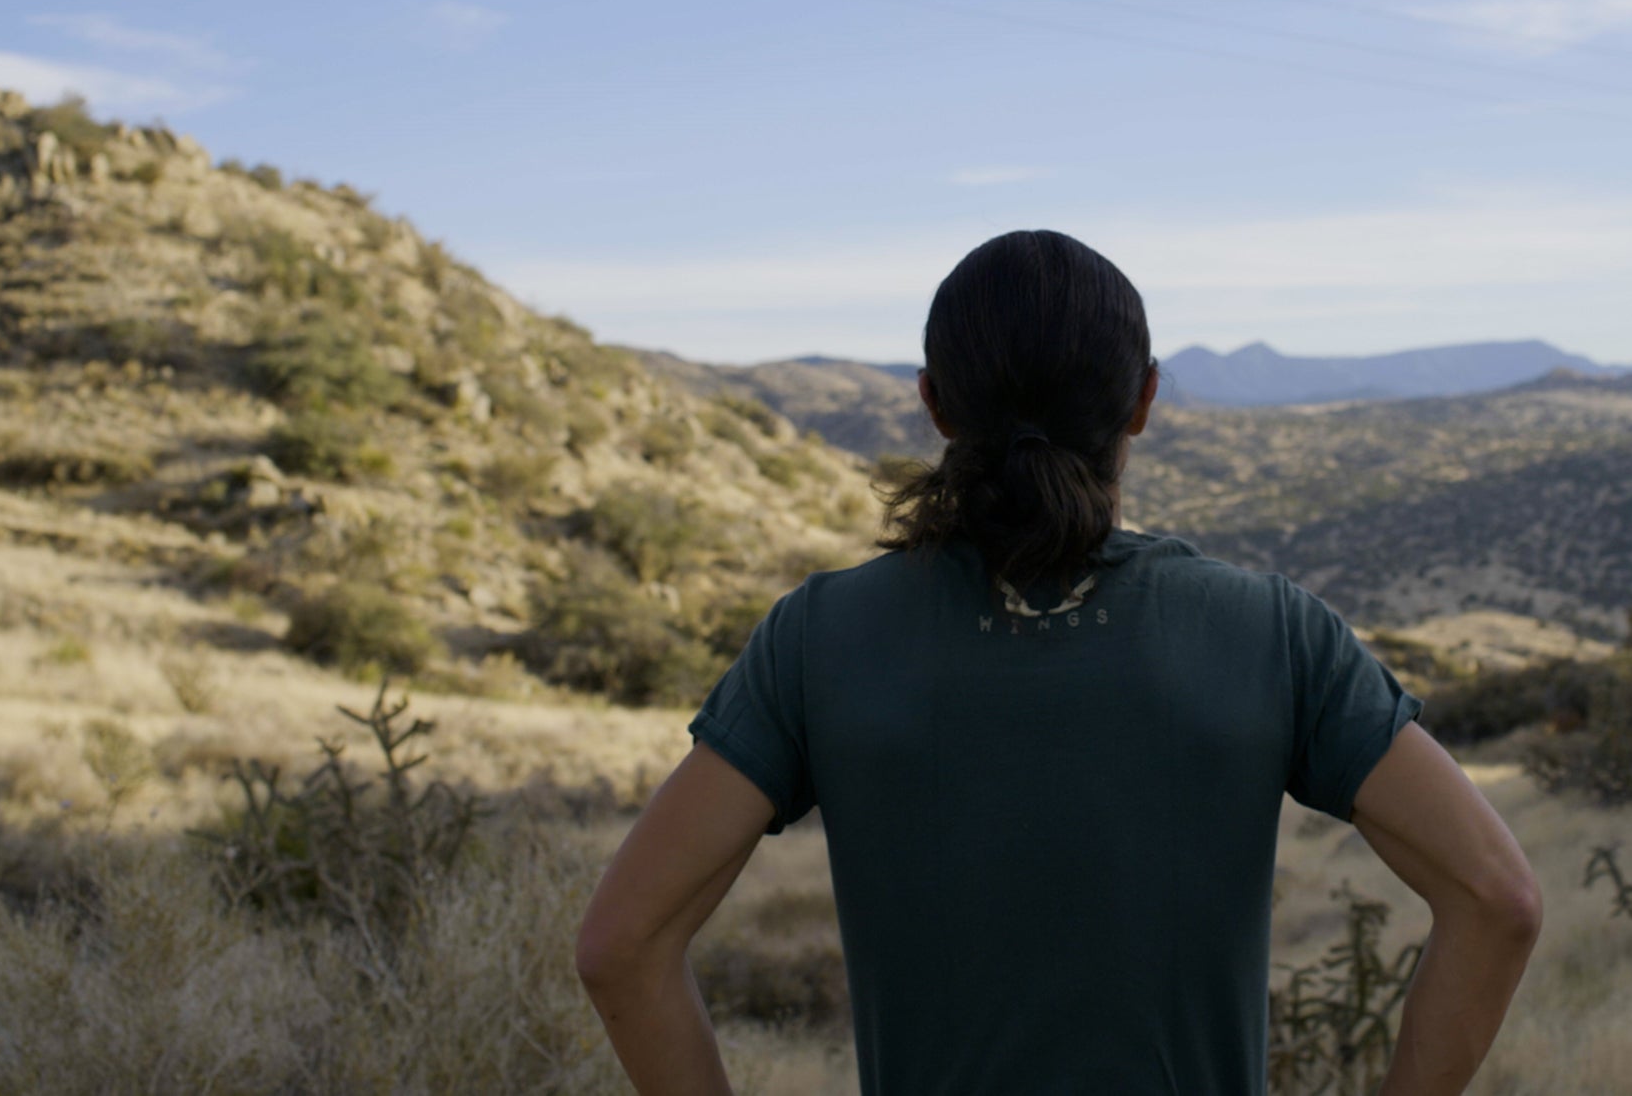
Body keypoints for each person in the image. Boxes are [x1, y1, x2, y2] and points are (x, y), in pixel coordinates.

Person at [576, 230, 1542, 1095]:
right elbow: (1498, 901)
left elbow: (622, 947)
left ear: (934, 403)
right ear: (1145, 400)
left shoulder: (819, 638)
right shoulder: (1272, 634)